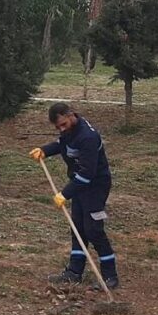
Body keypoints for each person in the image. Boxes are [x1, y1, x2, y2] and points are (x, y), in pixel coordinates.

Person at [29, 102, 119, 290]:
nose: (62, 129)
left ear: (71, 115)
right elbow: (62, 145)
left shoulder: (88, 137)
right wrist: (45, 150)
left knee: (93, 229)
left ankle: (110, 276)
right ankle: (74, 272)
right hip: (79, 184)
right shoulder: (69, 132)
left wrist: (65, 194)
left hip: (95, 186)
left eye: (63, 124)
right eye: (58, 127)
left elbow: (87, 174)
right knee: (77, 226)